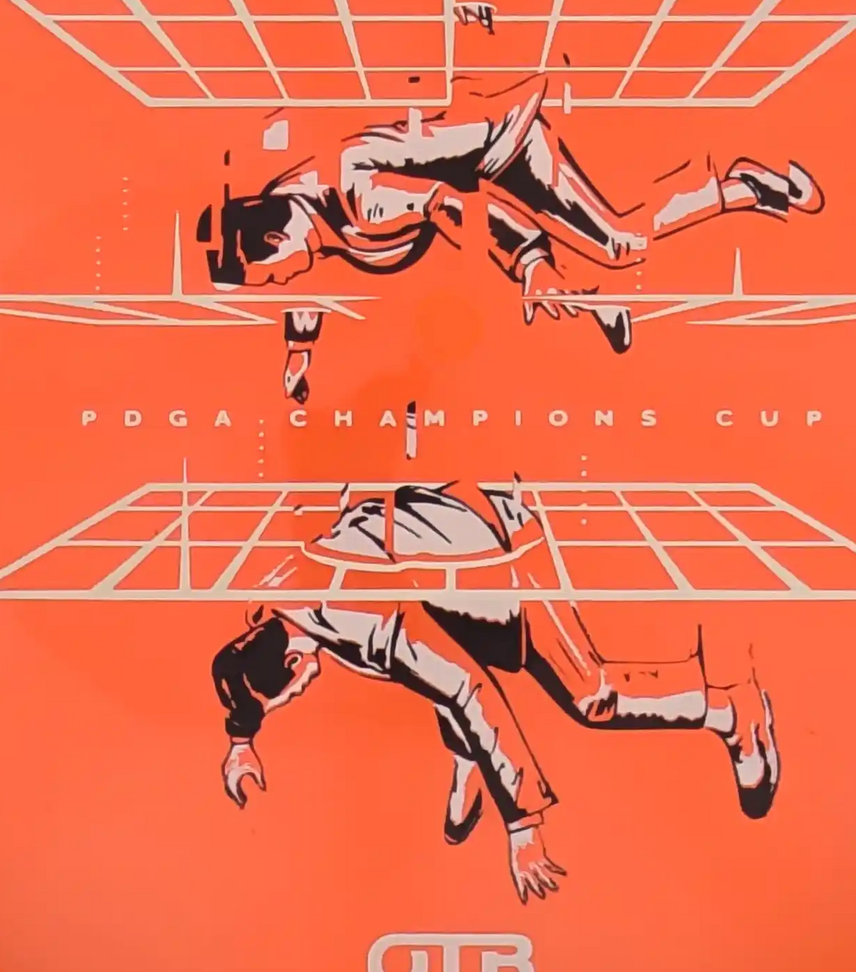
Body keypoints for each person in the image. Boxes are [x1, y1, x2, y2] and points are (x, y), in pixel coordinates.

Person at [207, 481, 781, 903]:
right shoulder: (274, 600)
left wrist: (523, 826)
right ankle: (469, 763)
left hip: (502, 551)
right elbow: (239, 672)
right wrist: (240, 741)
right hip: (428, 549)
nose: (299, 694)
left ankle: (732, 711)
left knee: (592, 698)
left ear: (291, 660)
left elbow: (469, 690)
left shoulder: (368, 623)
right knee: (430, 674)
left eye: (290, 695)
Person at [198, 77, 823, 400]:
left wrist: (529, 261)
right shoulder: (291, 202)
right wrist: (299, 354)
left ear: (275, 236)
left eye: (270, 274)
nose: (281, 281)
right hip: (461, 164)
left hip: (506, 149)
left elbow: (462, 208)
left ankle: (741, 186)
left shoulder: (361, 200)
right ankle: (587, 299)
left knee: (620, 243)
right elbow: (315, 284)